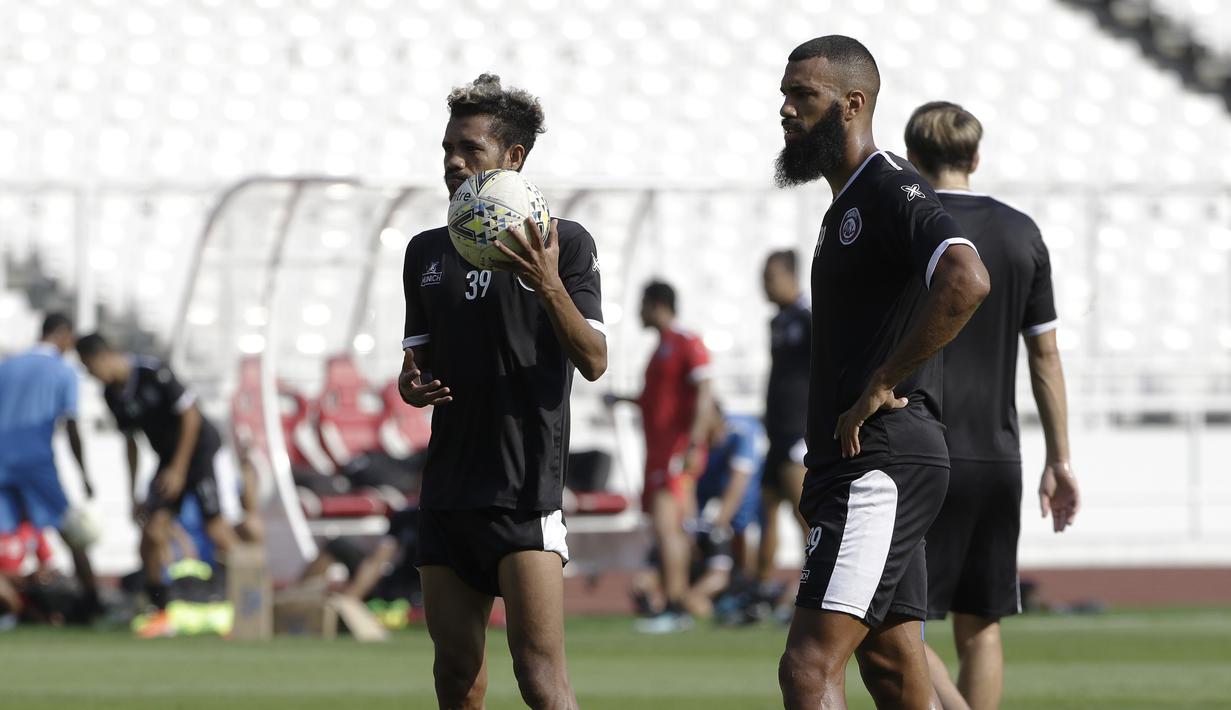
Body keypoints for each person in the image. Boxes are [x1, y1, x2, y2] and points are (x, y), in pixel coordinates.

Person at [772, 36, 991, 709]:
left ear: (851, 103)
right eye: (783, 95)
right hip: (866, 463)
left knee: (808, 670)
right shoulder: (847, 203)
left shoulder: (889, 185)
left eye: (800, 96)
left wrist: (880, 379)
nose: (784, 110)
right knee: (896, 671)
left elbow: (965, 277)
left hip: (881, 462)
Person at [398, 74, 605, 710]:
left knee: (540, 676)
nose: (453, 163)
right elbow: (413, 370)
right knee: (454, 674)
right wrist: (412, 386)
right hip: (449, 489)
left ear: (513, 158)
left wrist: (547, 282)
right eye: (446, 149)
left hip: (524, 490)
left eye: (470, 149)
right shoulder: (425, 251)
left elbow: (595, 360)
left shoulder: (563, 242)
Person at [905, 101, 1080, 710]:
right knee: (981, 626)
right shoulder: (1021, 232)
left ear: (910, 158)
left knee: (892, 620)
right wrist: (1059, 459)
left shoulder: (912, 225)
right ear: (976, 157)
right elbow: (1046, 357)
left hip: (923, 450)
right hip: (1000, 455)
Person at [75, 334, 242, 629]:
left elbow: (191, 415)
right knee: (152, 531)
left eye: (90, 367)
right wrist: (133, 493)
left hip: (199, 452)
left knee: (215, 528)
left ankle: (252, 598)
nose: (91, 375)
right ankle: (159, 605)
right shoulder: (111, 395)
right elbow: (130, 444)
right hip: (168, 461)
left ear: (103, 356)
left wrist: (179, 468)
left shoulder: (153, 374)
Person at [607, 280, 713, 633]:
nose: (639, 312)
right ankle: (674, 604)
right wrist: (624, 400)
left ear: (655, 304)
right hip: (658, 451)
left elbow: (705, 392)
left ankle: (673, 605)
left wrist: (694, 443)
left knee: (669, 528)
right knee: (667, 529)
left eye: (642, 304)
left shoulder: (685, 342)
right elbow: (656, 401)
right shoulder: (661, 349)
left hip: (675, 450)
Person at [0, 313, 99, 616]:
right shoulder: (62, 371)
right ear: (63, 335)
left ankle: (11, 607)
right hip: (34, 459)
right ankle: (92, 603)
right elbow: (70, 426)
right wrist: (83, 473)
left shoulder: (7, 366)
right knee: (72, 529)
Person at [757, 250, 812, 608]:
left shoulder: (809, 319)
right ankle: (762, 588)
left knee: (803, 514)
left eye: (771, 277)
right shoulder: (778, 321)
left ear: (791, 277)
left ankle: (815, 585)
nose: (765, 285)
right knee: (767, 510)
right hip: (776, 433)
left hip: (797, 432)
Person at [694, 400, 760, 572]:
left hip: (741, 476)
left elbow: (739, 482)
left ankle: (746, 579)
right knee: (690, 526)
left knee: (739, 520)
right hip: (708, 474)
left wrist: (719, 524)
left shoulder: (742, 431)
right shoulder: (693, 433)